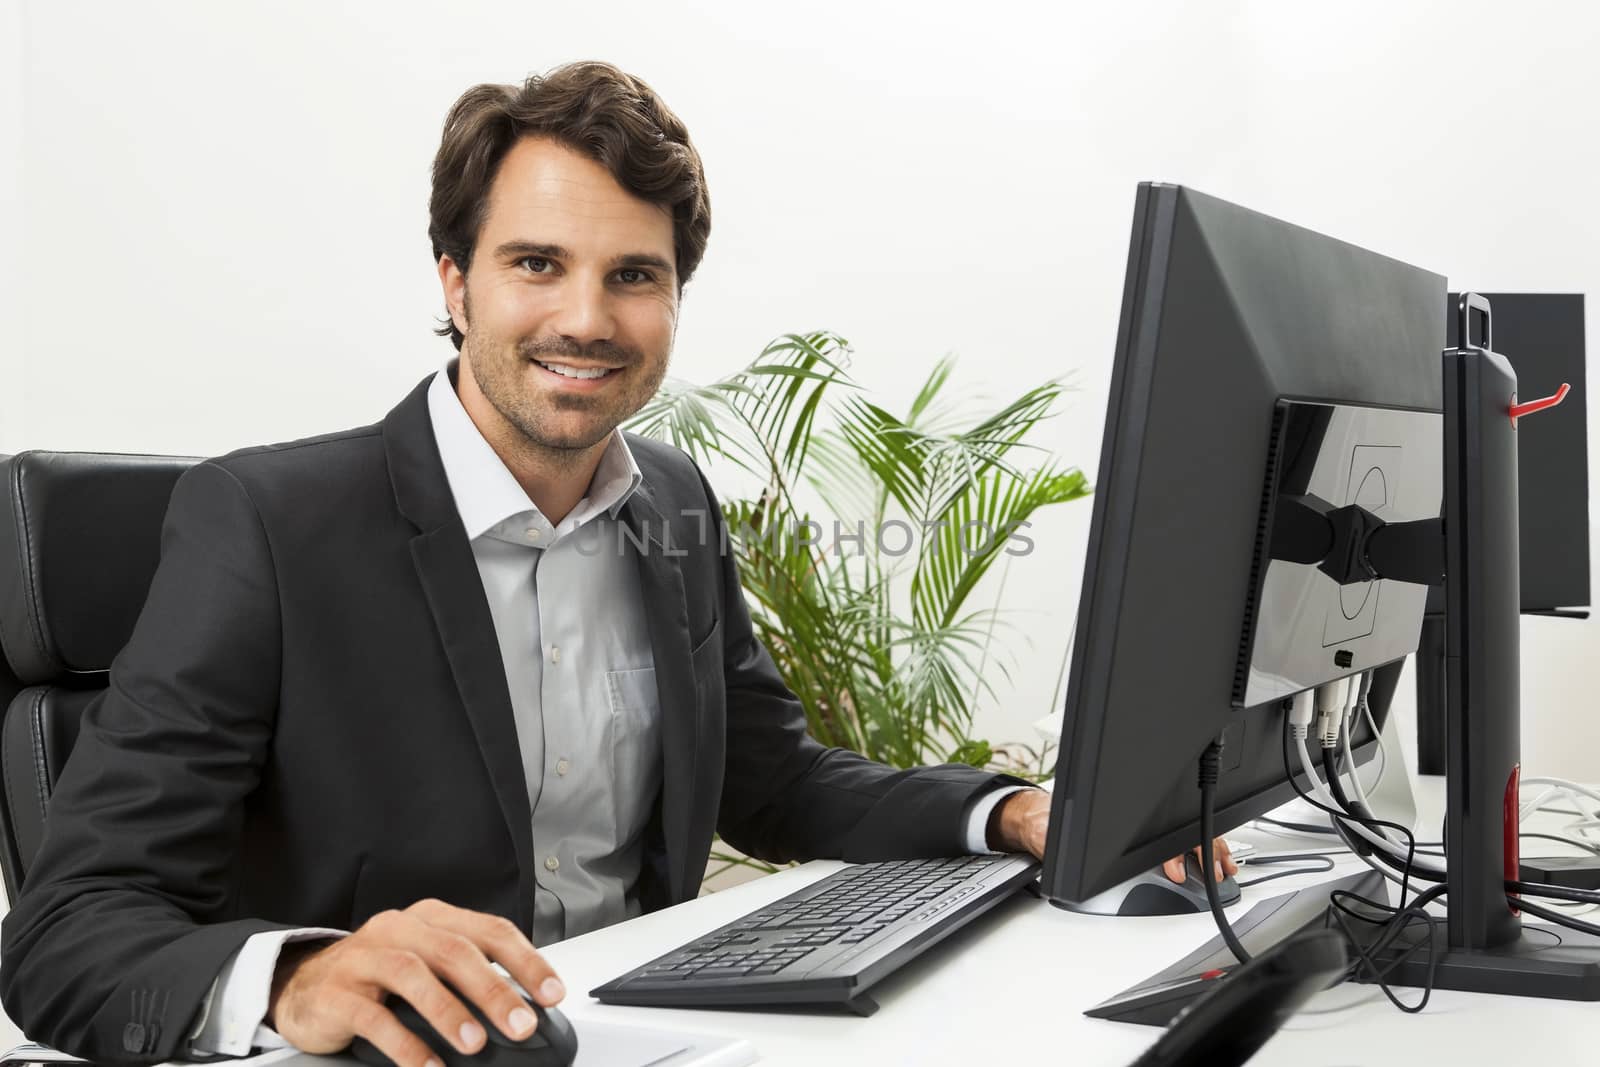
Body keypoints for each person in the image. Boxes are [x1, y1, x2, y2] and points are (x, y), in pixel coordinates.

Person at [0, 61, 1234, 1067]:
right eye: (536, 263)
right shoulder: (266, 521)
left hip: (646, 1030)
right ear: (455, 280)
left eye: (634, 275)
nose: (587, 318)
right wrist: (304, 972)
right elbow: (66, 935)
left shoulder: (673, 506)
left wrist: (1008, 809)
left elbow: (776, 780)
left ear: (674, 300)